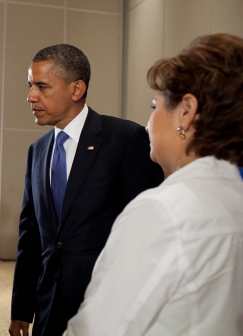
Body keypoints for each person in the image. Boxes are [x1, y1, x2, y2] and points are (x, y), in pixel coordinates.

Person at [66, 33, 243, 335]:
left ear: (186, 112)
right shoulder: (234, 197)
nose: (148, 124)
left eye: (154, 105)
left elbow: (96, 330)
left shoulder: (162, 212)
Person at [9, 44, 164, 336]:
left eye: (42, 87)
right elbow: (31, 236)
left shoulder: (125, 139)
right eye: (31, 86)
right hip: (48, 304)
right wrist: (21, 308)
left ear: (76, 89)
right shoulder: (37, 151)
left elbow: (148, 232)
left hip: (107, 302)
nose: (31, 96)